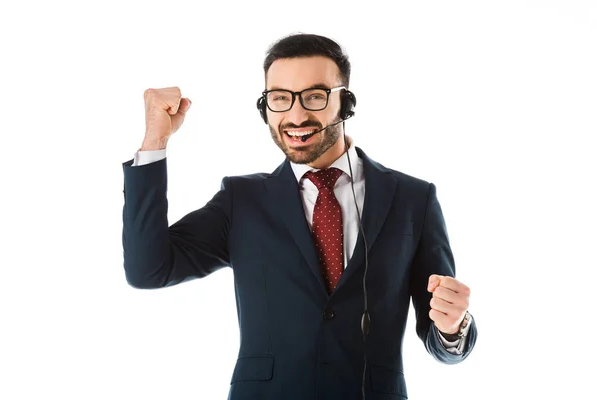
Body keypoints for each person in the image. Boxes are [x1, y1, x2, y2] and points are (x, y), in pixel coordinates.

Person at [121, 33, 478, 400]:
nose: (295, 115)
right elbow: (148, 269)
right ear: (265, 108)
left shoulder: (412, 199)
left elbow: (443, 340)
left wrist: (453, 326)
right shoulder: (240, 201)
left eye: (314, 96)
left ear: (347, 104)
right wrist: (154, 142)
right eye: (279, 98)